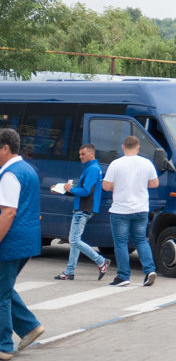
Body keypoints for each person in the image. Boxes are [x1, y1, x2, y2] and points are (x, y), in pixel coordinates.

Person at [0, 129, 45, 357]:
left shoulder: (9, 174)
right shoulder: (27, 169)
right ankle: (30, 327)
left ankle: (3, 345)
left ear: (5, 148)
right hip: (26, 240)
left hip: (10, 242)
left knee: (0, 294)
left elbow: (8, 213)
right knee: (4, 289)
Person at [102, 136, 160, 287]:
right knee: (141, 240)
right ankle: (149, 270)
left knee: (121, 243)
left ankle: (123, 276)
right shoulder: (146, 163)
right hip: (141, 209)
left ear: (123, 147)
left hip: (120, 210)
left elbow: (106, 186)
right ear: (138, 147)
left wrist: (118, 186)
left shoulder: (116, 164)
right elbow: (154, 183)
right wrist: (140, 184)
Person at [53, 144, 111, 281]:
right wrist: (61, 188)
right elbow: (84, 189)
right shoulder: (93, 168)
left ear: (92, 154)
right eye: (80, 154)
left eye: (83, 154)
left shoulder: (91, 169)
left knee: (74, 240)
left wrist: (70, 189)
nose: (80, 157)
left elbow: (85, 191)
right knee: (75, 241)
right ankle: (69, 271)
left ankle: (101, 261)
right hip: (85, 208)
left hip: (83, 208)